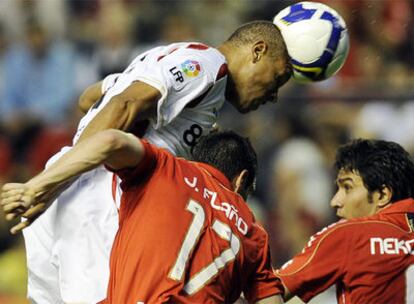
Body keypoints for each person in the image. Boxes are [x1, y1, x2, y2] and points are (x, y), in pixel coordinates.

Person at [4, 21, 292, 303]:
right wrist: (55, 182)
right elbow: (125, 105)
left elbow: (89, 98)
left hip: (69, 179)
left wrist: (56, 179)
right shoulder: (207, 67)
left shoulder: (172, 59)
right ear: (257, 51)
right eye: (277, 78)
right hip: (101, 190)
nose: (274, 95)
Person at [2, 129, 283, 304]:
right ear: (241, 180)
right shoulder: (254, 232)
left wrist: (37, 186)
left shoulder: (166, 169)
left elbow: (110, 139)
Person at [274, 139, 414, 304]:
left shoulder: (350, 235)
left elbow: (267, 293)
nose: (335, 201)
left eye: (347, 188)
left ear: (382, 195)